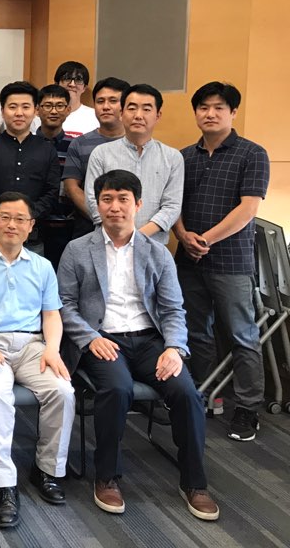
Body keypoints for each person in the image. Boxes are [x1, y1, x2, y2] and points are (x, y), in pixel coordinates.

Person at [58, 169, 219, 521]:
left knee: (187, 393)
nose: (114, 207)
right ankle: (107, 476)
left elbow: (173, 309)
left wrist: (174, 348)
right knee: (117, 389)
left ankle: (194, 482)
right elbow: (64, 305)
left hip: (150, 341)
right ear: (97, 205)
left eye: (123, 199)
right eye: (107, 199)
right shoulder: (77, 250)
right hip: (103, 340)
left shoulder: (157, 252)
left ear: (138, 204)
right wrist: (90, 338)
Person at [0, 192, 74, 529]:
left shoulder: (42, 266)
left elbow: (52, 314)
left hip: (32, 345)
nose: (12, 224)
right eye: (5, 217)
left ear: (31, 226)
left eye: (20, 219)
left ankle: (47, 470)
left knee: (63, 391)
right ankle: (4, 485)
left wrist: (52, 349)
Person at [173, 82, 269, 441]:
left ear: (233, 112)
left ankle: (247, 408)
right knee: (195, 332)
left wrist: (206, 240)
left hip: (231, 261)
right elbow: (173, 205)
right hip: (188, 259)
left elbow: (248, 209)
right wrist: (183, 235)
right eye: (203, 107)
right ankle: (201, 394)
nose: (210, 114)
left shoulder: (252, 154)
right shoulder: (184, 156)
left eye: (218, 108)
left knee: (242, 334)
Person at [84, 84, 183, 245]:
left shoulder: (173, 157)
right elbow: (92, 199)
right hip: (107, 243)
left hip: (153, 245)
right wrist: (119, 234)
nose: (138, 115)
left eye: (146, 109)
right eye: (132, 108)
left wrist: (137, 236)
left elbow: (172, 206)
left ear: (158, 115)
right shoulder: (101, 153)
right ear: (121, 113)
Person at [0, 81, 60, 250]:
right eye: (12, 107)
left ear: (35, 110)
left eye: (25, 107)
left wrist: (28, 215)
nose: (19, 113)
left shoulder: (47, 149)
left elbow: (52, 191)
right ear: (2, 111)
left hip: (32, 239)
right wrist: (2, 215)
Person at [63, 77, 130, 238]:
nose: (105, 106)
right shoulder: (79, 143)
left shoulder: (137, 143)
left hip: (131, 229)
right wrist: (102, 219)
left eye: (113, 101)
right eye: (100, 101)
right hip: (88, 230)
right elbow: (72, 188)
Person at [34, 84, 74, 269]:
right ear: (37, 109)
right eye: (48, 105)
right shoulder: (27, 144)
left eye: (59, 106)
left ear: (68, 110)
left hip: (67, 226)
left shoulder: (76, 145)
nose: (54, 111)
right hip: (34, 225)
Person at [55, 61, 98, 137]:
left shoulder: (95, 117)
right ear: (57, 84)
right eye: (67, 78)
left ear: (84, 87)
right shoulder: (44, 115)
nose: (72, 84)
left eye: (78, 80)